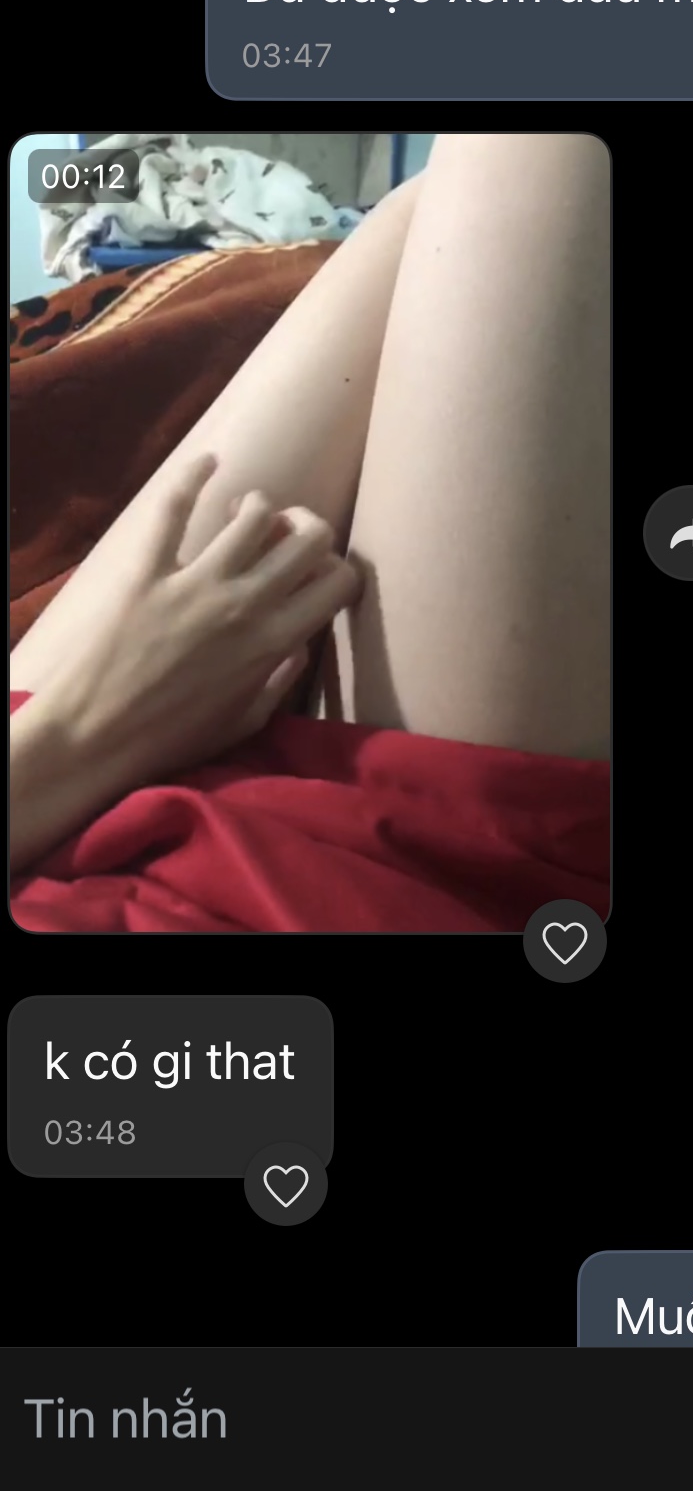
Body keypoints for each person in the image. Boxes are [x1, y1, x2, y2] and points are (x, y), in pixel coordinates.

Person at [9, 134, 609, 932]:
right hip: (290, 892)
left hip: (31, 764)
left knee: (429, 207)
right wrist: (94, 728)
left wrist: (77, 727)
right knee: (537, 156)